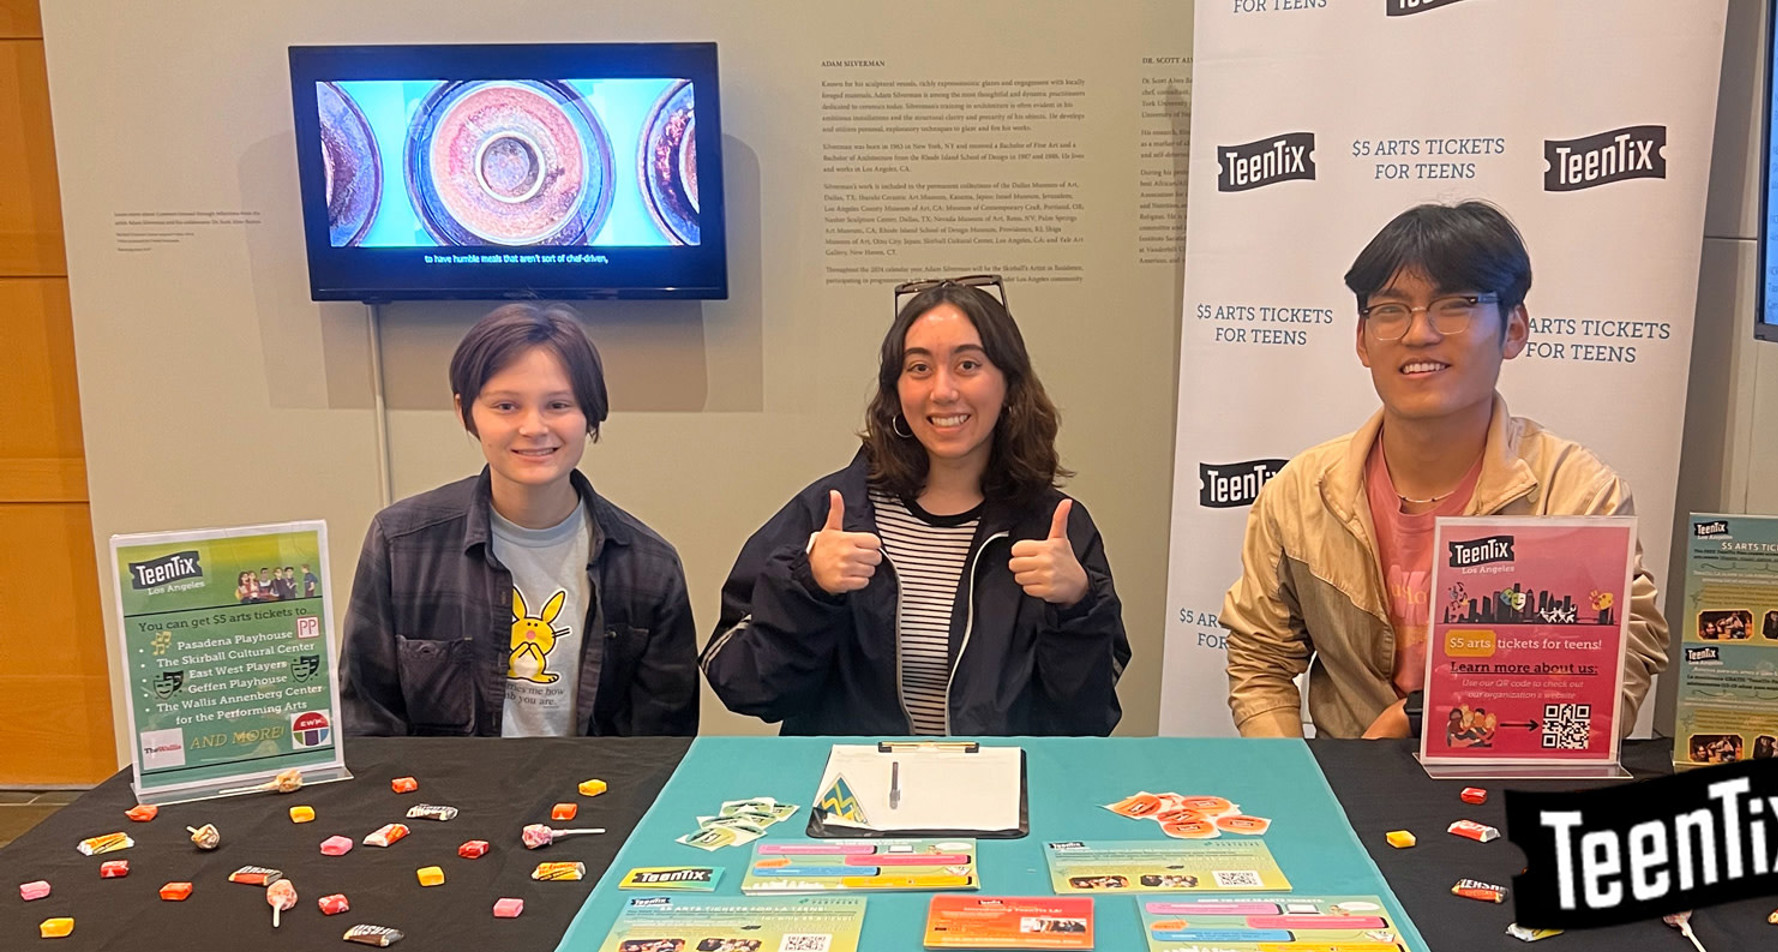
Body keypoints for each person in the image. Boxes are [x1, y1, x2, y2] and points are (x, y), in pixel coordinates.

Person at [1222, 200, 1668, 740]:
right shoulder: (1302, 491)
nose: (1419, 334)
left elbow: (1606, 688)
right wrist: (1299, 781)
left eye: (1454, 305)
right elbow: (1260, 660)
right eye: (1390, 310)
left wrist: (1419, 717)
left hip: (1510, 792)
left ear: (1514, 329)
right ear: (1362, 340)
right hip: (1348, 789)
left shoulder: (1576, 496)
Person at [702, 279, 1129, 735]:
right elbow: (744, 685)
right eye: (920, 368)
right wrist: (809, 589)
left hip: (998, 796)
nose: (943, 391)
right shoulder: (833, 515)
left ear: (1009, 384)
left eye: (968, 364)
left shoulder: (1055, 529)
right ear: (895, 390)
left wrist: (1075, 606)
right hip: (852, 800)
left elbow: (1087, 719)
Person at [339, 302, 697, 737]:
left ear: (591, 412)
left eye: (558, 405)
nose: (533, 427)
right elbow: (367, 725)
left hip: (600, 799)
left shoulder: (650, 567)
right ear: (464, 410)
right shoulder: (401, 543)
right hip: (441, 802)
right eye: (506, 406)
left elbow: (662, 745)